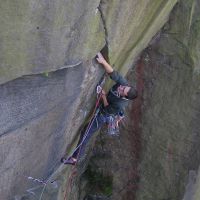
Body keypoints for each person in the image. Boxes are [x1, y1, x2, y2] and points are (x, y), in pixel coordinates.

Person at [61, 52, 138, 165]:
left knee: (85, 133)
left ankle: (74, 159)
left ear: (124, 96)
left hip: (103, 116)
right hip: (105, 107)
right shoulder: (124, 84)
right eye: (124, 87)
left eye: (123, 90)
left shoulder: (120, 104)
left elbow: (107, 109)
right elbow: (113, 74)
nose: (121, 87)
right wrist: (103, 61)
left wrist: (103, 96)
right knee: (84, 131)